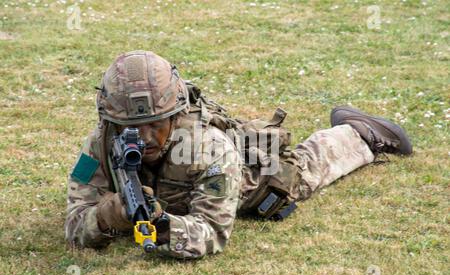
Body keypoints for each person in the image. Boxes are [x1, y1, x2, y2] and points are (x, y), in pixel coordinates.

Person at [65, 50, 412, 259]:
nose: (144, 137)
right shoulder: (99, 144)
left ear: (175, 114)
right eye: (130, 126)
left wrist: (165, 228)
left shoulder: (209, 148)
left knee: (296, 176)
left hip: (245, 178)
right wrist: (108, 216)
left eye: (155, 123)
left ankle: (362, 131)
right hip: (176, 192)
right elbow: (75, 222)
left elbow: (213, 231)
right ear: (109, 120)